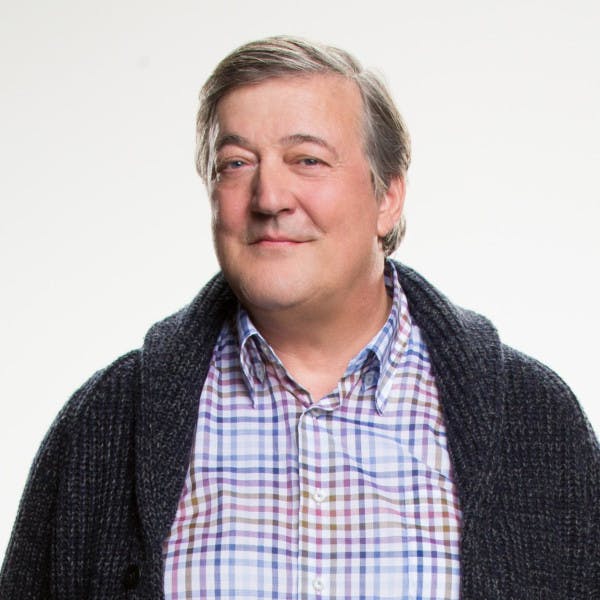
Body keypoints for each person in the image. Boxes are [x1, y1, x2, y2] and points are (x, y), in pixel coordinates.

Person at [1, 36, 598, 600]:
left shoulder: (535, 421)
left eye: (307, 160)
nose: (269, 197)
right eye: (236, 164)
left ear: (388, 196)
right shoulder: (105, 425)